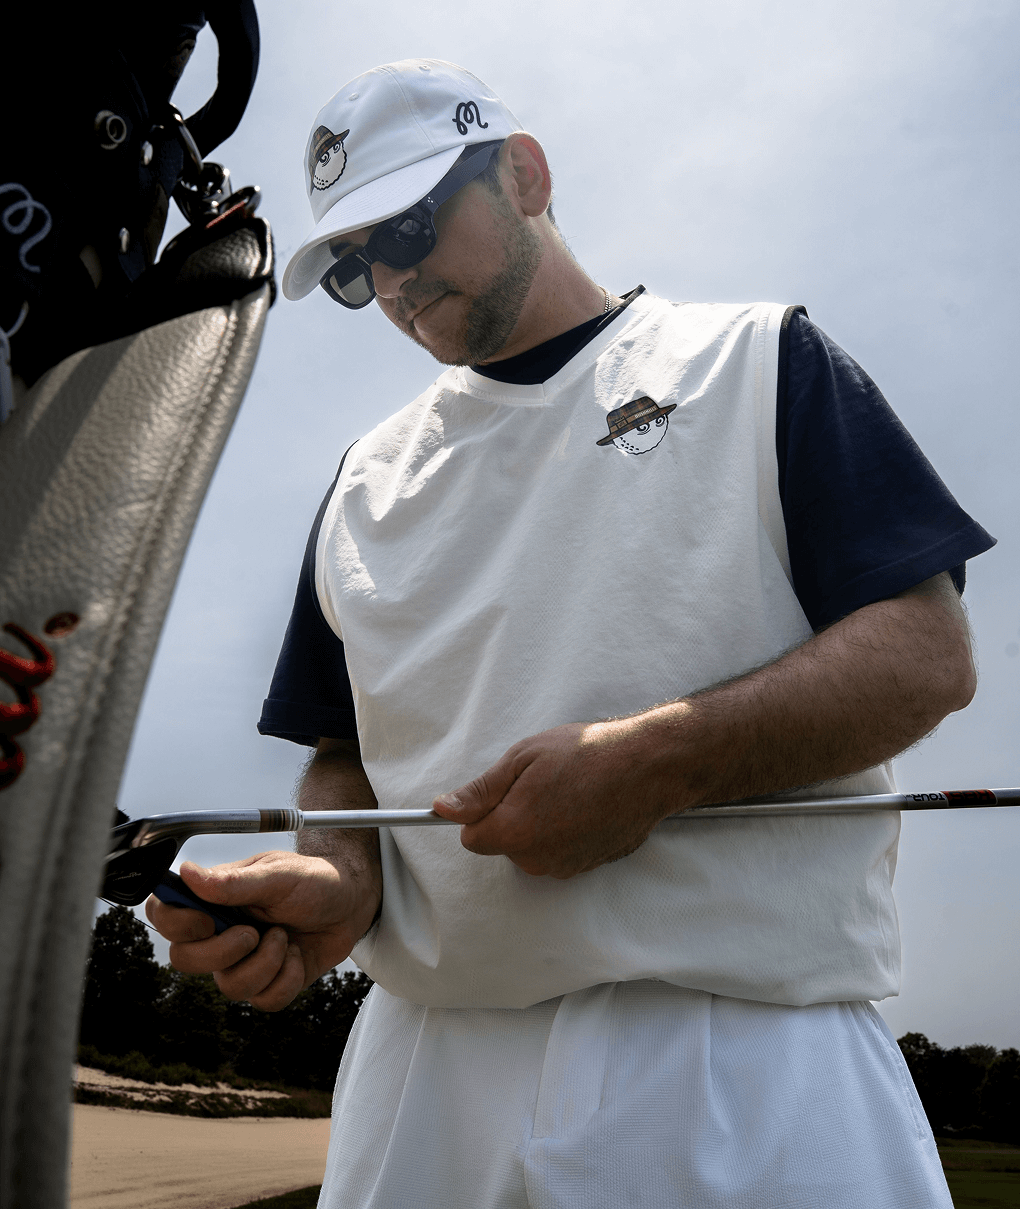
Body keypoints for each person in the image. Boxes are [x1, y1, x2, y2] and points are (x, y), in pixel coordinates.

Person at [149, 59, 995, 1208]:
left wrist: (654, 765)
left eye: (407, 227)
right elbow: (344, 753)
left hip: (742, 1055)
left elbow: (924, 655)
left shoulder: (756, 357)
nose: (392, 282)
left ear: (524, 172)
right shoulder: (363, 483)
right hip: (422, 1073)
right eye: (356, 267)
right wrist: (344, 877)